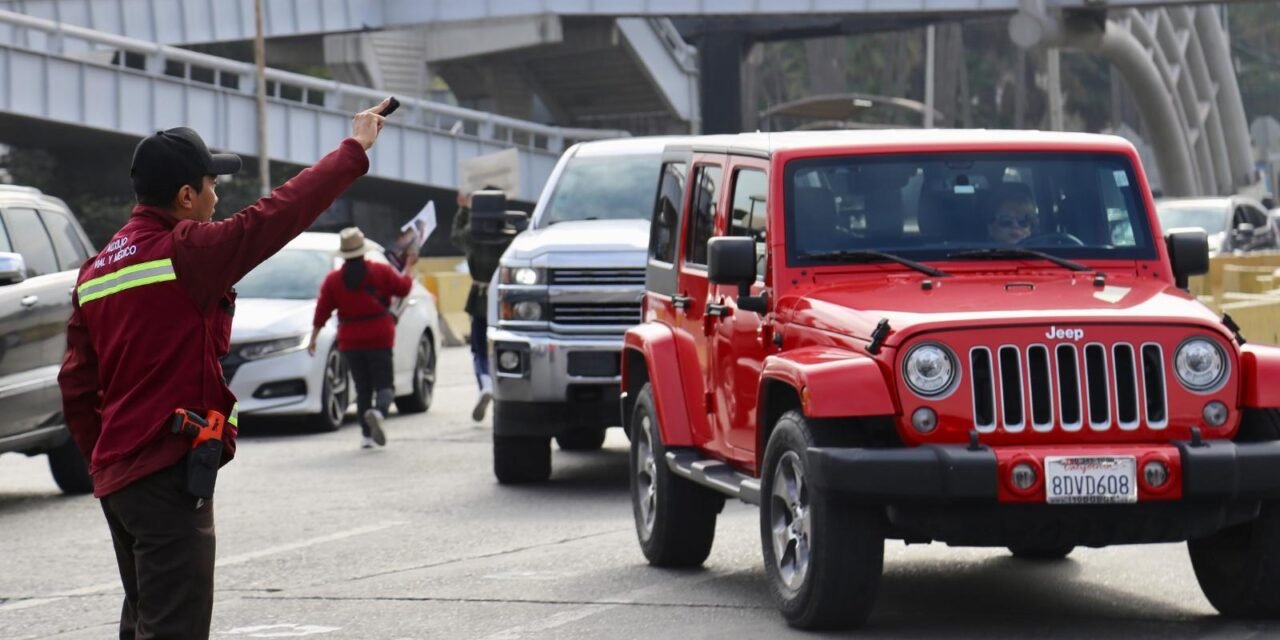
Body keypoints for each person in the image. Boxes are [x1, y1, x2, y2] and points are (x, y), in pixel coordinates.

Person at [57, 98, 391, 639]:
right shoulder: (186, 251)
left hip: (120, 481)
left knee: (144, 619)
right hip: (163, 475)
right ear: (185, 196)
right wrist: (352, 150)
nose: (218, 198)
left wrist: (105, 458)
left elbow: (75, 383)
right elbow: (277, 214)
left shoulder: (96, 269)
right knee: (173, 629)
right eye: (212, 186)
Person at [309, 227, 417, 449]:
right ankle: (378, 412)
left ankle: (366, 436)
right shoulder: (380, 271)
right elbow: (403, 288)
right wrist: (409, 268)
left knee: (362, 387)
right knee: (385, 385)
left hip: (350, 340)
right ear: (363, 251)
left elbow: (322, 311)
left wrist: (314, 337)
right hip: (380, 335)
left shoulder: (333, 280)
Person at [450, 187, 506, 422]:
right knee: (502, 349)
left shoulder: (472, 233)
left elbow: (455, 235)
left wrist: (463, 209)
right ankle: (501, 392)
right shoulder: (508, 233)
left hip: (479, 296)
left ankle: (485, 384)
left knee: (479, 348)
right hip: (503, 299)